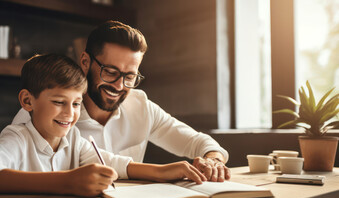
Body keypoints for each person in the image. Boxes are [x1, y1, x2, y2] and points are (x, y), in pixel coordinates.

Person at [0, 54, 206, 197]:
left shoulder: (74, 138)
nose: (69, 113)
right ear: (27, 101)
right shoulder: (19, 137)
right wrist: (66, 182)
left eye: (77, 104)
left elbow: (110, 162)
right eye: (59, 102)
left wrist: (161, 172)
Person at [12, 21, 231, 182]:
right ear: (86, 62)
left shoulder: (141, 107)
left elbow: (198, 142)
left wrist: (214, 160)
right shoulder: (45, 115)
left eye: (130, 77)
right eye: (110, 72)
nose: (119, 85)